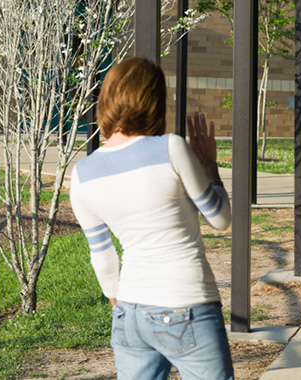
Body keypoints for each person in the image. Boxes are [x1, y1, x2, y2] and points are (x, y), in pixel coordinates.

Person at [70, 57, 234, 379]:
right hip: (185, 304)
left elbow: (102, 257)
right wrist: (209, 165)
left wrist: (124, 302)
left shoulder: (82, 173)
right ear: (154, 103)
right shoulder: (171, 148)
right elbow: (220, 218)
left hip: (129, 314)